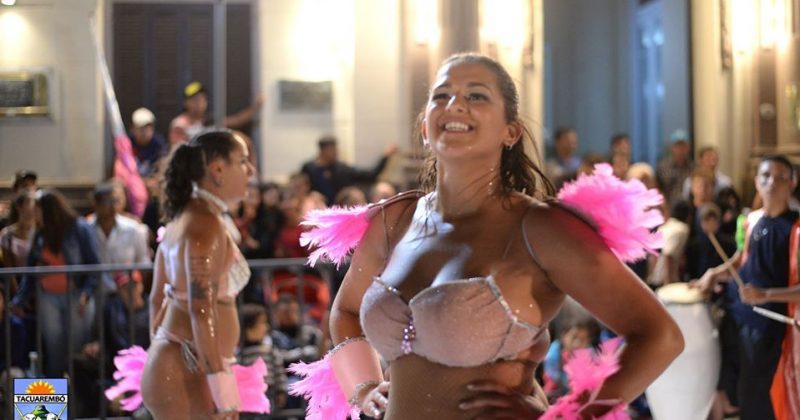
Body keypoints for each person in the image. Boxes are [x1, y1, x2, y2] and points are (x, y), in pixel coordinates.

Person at [311, 53, 683, 419]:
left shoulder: (541, 229)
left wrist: (571, 417)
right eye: (442, 95)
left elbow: (659, 336)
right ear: (425, 127)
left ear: (511, 131)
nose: (455, 105)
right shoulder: (394, 221)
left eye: (476, 95)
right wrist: (363, 388)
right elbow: (345, 312)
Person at [140, 130, 255, 419]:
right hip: (182, 371)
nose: (251, 171)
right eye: (243, 161)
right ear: (217, 169)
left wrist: (166, 348)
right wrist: (222, 390)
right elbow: (201, 310)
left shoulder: (186, 218)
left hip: (181, 365)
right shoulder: (204, 224)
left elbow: (156, 299)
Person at [694, 155, 799, 419]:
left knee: (759, 395)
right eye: (765, 176)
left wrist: (766, 295)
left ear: (792, 183)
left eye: (780, 177)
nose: (771, 182)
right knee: (736, 388)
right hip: (738, 315)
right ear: (756, 181)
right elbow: (742, 259)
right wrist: (715, 274)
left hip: (770, 326)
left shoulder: (796, 228)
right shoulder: (750, 220)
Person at [10, 189, 101, 378]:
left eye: (37, 210)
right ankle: (57, 395)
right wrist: (19, 301)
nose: (34, 215)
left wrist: (86, 292)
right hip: (48, 296)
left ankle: (77, 392)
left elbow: (94, 264)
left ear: (48, 211)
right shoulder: (40, 234)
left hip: (76, 296)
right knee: (54, 348)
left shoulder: (79, 228)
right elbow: (30, 270)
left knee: (76, 348)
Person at [300, 136, 397, 205]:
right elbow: (300, 188)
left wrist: (385, 156)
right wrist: (309, 195)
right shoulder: (308, 168)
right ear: (323, 151)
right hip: (315, 209)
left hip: (339, 211)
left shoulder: (342, 169)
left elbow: (370, 175)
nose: (336, 153)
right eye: (332, 150)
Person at [169, 81, 264, 145]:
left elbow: (237, 120)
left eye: (202, 99)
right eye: (195, 100)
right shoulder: (179, 124)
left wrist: (257, 106)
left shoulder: (210, 121)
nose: (199, 103)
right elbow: (178, 151)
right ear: (185, 103)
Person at [657, 130, 694, 205]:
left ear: (688, 147)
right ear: (672, 147)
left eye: (683, 146)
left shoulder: (693, 167)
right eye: (677, 146)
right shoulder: (663, 167)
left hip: (689, 207)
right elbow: (658, 188)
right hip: (669, 206)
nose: (680, 149)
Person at [129, 107, 168, 178]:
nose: (144, 131)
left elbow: (163, 164)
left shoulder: (158, 143)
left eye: (148, 127)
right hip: (131, 179)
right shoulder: (128, 143)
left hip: (151, 179)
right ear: (133, 129)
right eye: (141, 128)